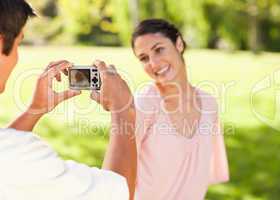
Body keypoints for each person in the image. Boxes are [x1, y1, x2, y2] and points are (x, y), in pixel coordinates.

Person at [0, 0, 136, 199]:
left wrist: (35, 109)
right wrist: (123, 109)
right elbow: (120, 191)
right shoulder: (21, 157)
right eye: (19, 42)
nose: (17, 57)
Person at [131, 19, 229, 200]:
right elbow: (122, 172)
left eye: (159, 49)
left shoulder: (208, 104)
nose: (153, 63)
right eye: (144, 58)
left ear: (179, 44)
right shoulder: (146, 102)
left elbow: (203, 175)